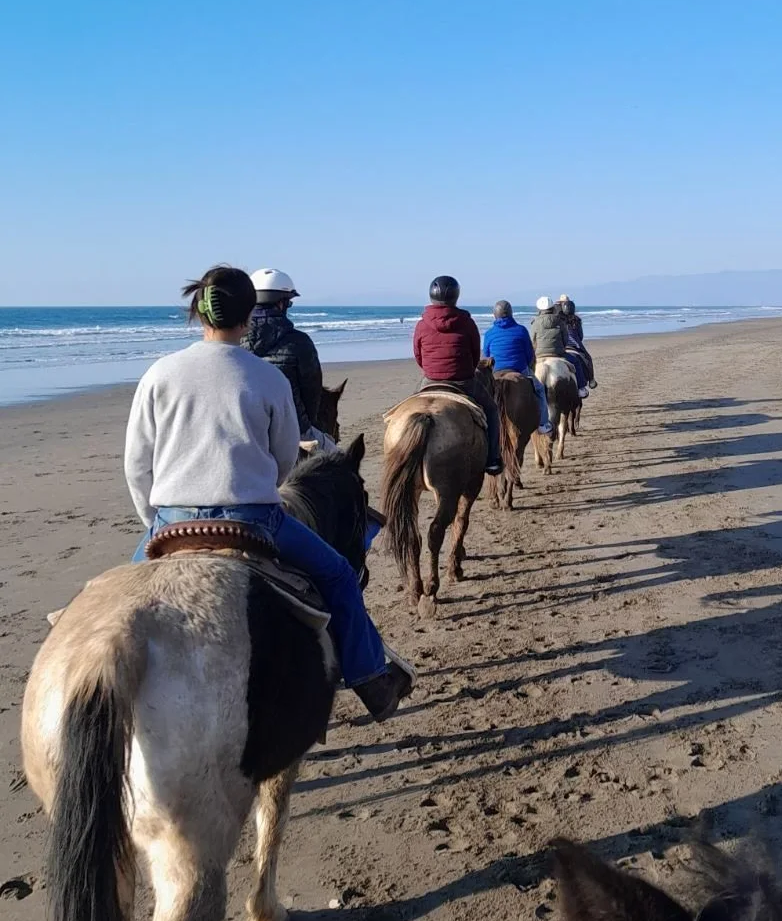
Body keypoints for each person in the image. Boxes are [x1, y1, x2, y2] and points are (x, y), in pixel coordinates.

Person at [124, 264, 411, 721]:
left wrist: (156, 521)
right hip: (256, 520)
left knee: (115, 606)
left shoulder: (159, 374)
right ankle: (369, 676)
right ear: (246, 317)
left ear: (199, 314)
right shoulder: (267, 379)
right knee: (338, 574)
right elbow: (282, 462)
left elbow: (137, 465)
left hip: (173, 520)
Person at [411, 276, 504, 475]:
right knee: (491, 410)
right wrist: (466, 369)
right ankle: (493, 459)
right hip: (463, 381)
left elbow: (418, 356)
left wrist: (432, 370)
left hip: (430, 380)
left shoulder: (421, 324)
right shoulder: (467, 322)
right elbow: (474, 355)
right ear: (456, 296)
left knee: (409, 409)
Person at [243, 267, 336, 451]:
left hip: (245, 430)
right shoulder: (299, 342)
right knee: (342, 463)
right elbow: (312, 393)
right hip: (292, 430)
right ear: (281, 304)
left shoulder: (234, 340)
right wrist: (307, 425)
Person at [482, 300, 553, 433]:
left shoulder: (489, 333)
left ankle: (484, 424)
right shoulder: (521, 330)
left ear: (494, 315)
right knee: (539, 390)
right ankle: (543, 424)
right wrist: (527, 367)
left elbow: (486, 355)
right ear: (511, 314)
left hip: (496, 371)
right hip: (519, 369)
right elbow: (529, 353)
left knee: (483, 395)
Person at [557, 294, 597, 389]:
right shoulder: (576, 319)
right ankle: (591, 380)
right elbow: (580, 336)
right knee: (587, 359)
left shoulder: (556, 318)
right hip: (574, 345)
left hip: (560, 346)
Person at [529, 294, 569, 360]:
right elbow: (565, 339)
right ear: (552, 307)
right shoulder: (560, 320)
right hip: (558, 353)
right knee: (576, 363)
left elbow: (533, 341)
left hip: (539, 354)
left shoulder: (535, 322)